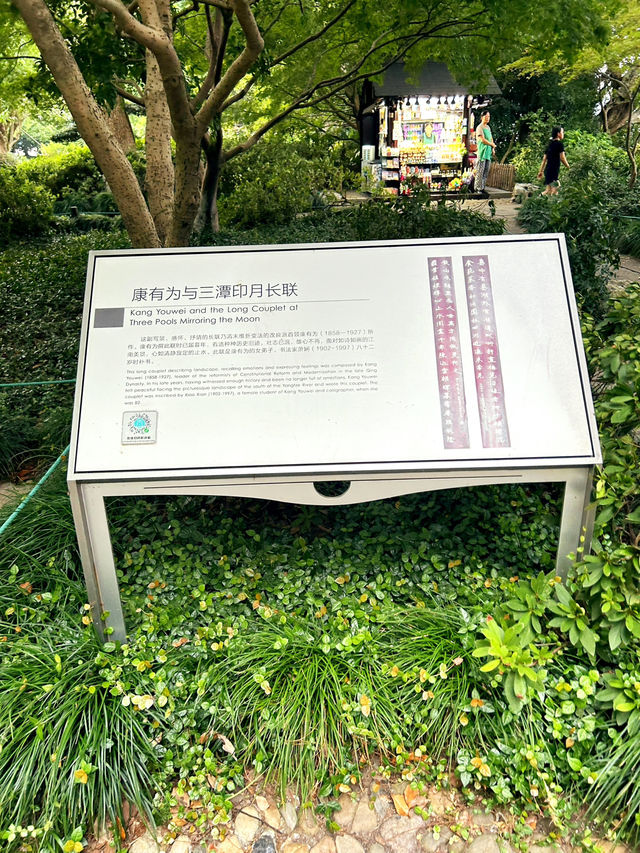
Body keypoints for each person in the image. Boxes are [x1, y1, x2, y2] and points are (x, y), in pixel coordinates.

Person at [537, 126, 570, 196]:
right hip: (553, 171)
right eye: (562, 132)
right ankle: (537, 201)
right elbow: (562, 158)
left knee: (548, 191)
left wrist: (541, 171)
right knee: (556, 189)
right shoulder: (559, 144)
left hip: (548, 170)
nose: (563, 134)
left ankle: (536, 201)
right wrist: (568, 167)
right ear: (558, 134)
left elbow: (544, 160)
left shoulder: (549, 145)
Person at [475, 110, 496, 195]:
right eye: (486, 116)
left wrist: (493, 147)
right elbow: (483, 140)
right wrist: (491, 144)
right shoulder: (479, 127)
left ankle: (483, 187)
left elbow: (491, 138)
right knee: (480, 170)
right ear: (482, 117)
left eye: (489, 117)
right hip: (482, 152)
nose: (488, 118)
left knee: (486, 171)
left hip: (488, 152)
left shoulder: (488, 127)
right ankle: (478, 187)